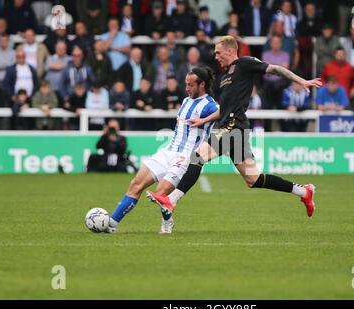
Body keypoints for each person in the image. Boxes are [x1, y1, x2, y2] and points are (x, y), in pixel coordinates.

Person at [146, 36, 322, 227]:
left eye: (218, 52)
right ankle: (304, 192)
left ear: (230, 51)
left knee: (197, 156)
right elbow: (223, 108)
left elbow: (275, 69)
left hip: (233, 126)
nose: (215, 56)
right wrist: (204, 120)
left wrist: (301, 80)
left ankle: (172, 200)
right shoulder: (223, 78)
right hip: (231, 127)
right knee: (253, 179)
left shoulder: (245, 63)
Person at [104, 67, 220, 234]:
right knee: (136, 184)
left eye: (190, 85)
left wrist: (205, 120)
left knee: (161, 192)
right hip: (168, 151)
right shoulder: (187, 100)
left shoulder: (209, 105)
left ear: (202, 84)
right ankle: (111, 224)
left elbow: (226, 111)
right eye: (186, 84)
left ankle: (167, 222)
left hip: (186, 156)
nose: (186, 88)